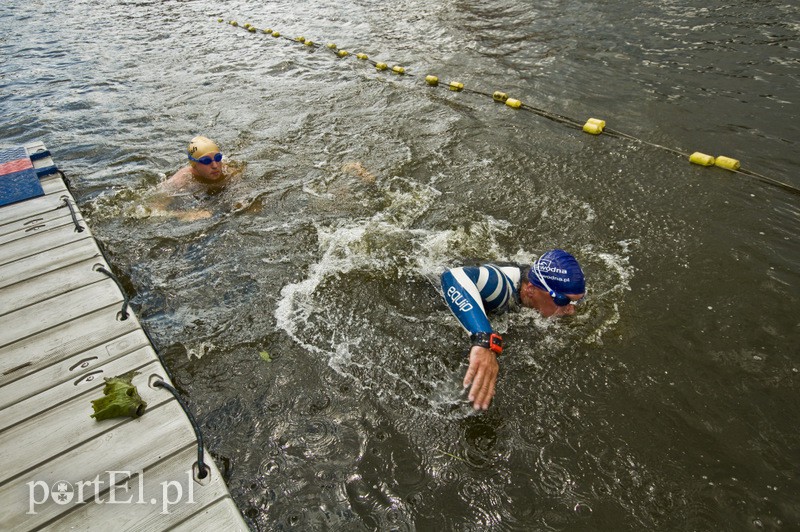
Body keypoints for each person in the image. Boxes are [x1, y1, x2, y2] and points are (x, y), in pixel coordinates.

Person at [440, 249, 586, 411]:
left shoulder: (538, 285)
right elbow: (452, 276)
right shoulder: (500, 288)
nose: (571, 310)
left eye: (576, 301)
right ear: (531, 290)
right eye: (563, 300)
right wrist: (484, 339)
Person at [152, 135, 241, 220]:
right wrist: (185, 215)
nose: (215, 165)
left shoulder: (229, 169)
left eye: (218, 158)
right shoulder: (180, 180)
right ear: (194, 164)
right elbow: (153, 210)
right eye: (206, 161)